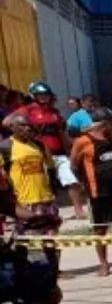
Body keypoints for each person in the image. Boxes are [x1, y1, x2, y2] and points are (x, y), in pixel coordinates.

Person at [6, 82, 87, 220]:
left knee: (72, 180)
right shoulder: (27, 110)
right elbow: (7, 122)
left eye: (46, 94)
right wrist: (24, 133)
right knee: (43, 184)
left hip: (58, 152)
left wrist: (70, 149)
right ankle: (37, 214)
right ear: (34, 96)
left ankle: (78, 210)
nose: (44, 97)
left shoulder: (54, 112)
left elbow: (61, 132)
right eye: (40, 95)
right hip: (38, 153)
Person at [70, 107, 112, 276]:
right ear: (105, 123)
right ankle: (103, 263)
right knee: (100, 229)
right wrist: (83, 183)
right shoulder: (82, 141)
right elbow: (74, 165)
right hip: (97, 191)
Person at [4, 113, 62, 270]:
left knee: (50, 236)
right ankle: (21, 268)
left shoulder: (39, 145)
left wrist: (52, 190)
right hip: (22, 202)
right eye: (22, 126)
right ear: (12, 128)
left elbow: (51, 168)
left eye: (29, 125)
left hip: (45, 199)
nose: (27, 128)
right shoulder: (5, 147)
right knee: (24, 239)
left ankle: (53, 269)